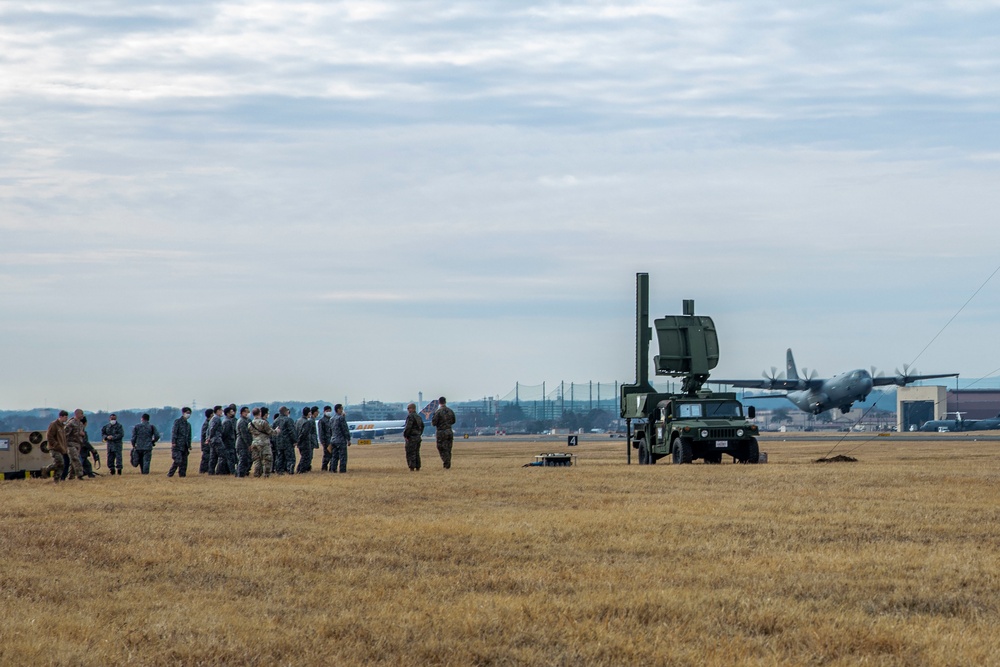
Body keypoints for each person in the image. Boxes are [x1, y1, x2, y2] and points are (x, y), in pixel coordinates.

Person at [42, 410, 70, 482]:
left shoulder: (63, 426)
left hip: (62, 449)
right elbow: (49, 436)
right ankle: (46, 469)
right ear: (60, 417)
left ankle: (57, 480)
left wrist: (64, 448)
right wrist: (55, 444)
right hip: (54, 448)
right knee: (60, 462)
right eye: (65, 417)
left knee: (61, 465)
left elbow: (63, 439)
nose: (66, 419)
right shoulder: (54, 424)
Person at [248, 407, 275, 478]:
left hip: (254, 443)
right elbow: (270, 432)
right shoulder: (263, 422)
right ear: (260, 413)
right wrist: (277, 431)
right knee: (267, 459)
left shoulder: (250, 424)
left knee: (257, 460)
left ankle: (257, 475)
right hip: (264, 443)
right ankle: (266, 475)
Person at [431, 396, 457, 469]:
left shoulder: (438, 412)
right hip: (449, 431)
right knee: (448, 448)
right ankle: (448, 461)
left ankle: (446, 462)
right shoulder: (450, 411)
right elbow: (454, 421)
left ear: (439, 402)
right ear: (445, 402)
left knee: (441, 448)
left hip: (441, 432)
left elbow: (434, 423)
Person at [64, 409, 89, 480]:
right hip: (70, 444)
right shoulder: (71, 423)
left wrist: (82, 434)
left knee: (73, 462)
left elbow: (81, 434)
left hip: (78, 445)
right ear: (77, 414)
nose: (82, 415)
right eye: (81, 413)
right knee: (76, 459)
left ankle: (71, 476)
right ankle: (80, 475)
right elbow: (65, 434)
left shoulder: (80, 424)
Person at [168, 407, 193, 477]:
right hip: (178, 445)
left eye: (189, 413)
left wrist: (189, 445)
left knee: (184, 463)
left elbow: (189, 436)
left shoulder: (188, 425)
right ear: (183, 413)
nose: (188, 415)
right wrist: (173, 442)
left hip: (185, 446)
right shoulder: (177, 422)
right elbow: (174, 432)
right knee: (178, 460)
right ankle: (170, 474)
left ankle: (182, 476)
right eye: (187, 413)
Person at [273, 406, 297, 475]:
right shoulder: (288, 420)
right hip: (287, 442)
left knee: (280, 457)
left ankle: (279, 470)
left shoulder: (275, 421)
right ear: (286, 412)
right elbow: (291, 431)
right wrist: (295, 440)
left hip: (278, 443)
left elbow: (273, 433)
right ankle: (290, 470)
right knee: (290, 458)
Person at [216, 404, 238, 475]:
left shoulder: (227, 421)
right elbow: (225, 433)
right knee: (230, 458)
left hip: (229, 443)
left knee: (228, 458)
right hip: (228, 443)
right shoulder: (227, 422)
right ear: (228, 413)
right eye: (231, 411)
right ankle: (232, 472)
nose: (233, 413)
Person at [329, 404, 351, 473]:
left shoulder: (331, 418)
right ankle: (342, 470)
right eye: (341, 409)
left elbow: (330, 430)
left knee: (334, 456)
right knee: (343, 456)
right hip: (340, 440)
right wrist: (348, 439)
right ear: (338, 409)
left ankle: (333, 469)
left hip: (333, 439)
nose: (342, 410)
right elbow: (344, 429)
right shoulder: (341, 418)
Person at [295, 407, 317, 473]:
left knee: (303, 456)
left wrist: (297, 441)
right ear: (308, 413)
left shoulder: (298, 420)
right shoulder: (306, 422)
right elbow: (304, 433)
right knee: (306, 457)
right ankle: (302, 470)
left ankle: (299, 469)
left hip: (299, 443)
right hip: (305, 442)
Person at [403, 402, 424, 471]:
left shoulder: (410, 416)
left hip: (411, 437)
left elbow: (408, 427)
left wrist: (405, 435)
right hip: (418, 437)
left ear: (412, 408)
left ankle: (412, 467)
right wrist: (419, 433)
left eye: (408, 408)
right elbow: (422, 426)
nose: (408, 410)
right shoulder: (418, 416)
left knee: (410, 452)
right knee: (416, 452)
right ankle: (418, 466)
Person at [206, 405, 223, 474]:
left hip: (213, 440)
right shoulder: (216, 419)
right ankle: (218, 471)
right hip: (216, 439)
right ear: (218, 411)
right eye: (221, 410)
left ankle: (211, 472)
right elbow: (212, 429)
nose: (222, 412)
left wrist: (208, 438)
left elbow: (208, 429)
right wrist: (210, 437)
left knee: (213, 457)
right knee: (222, 456)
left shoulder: (212, 419)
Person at [235, 406, 252, 478]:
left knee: (246, 459)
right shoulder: (242, 421)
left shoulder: (247, 420)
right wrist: (249, 444)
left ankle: (243, 473)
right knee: (243, 459)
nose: (248, 413)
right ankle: (240, 475)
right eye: (247, 412)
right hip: (242, 443)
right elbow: (244, 434)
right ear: (242, 413)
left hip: (244, 443)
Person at [318, 406, 333, 471]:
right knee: (326, 455)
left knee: (333, 455)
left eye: (330, 410)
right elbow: (321, 432)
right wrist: (322, 441)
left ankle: (331, 468)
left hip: (332, 440)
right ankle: (324, 467)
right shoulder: (322, 421)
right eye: (327, 411)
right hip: (326, 441)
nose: (329, 412)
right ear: (324, 411)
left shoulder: (332, 420)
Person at [199, 408, 214, 474]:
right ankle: (202, 471)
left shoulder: (210, 423)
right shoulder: (207, 424)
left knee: (209, 458)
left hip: (209, 444)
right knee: (205, 459)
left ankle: (207, 470)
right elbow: (204, 435)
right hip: (206, 445)